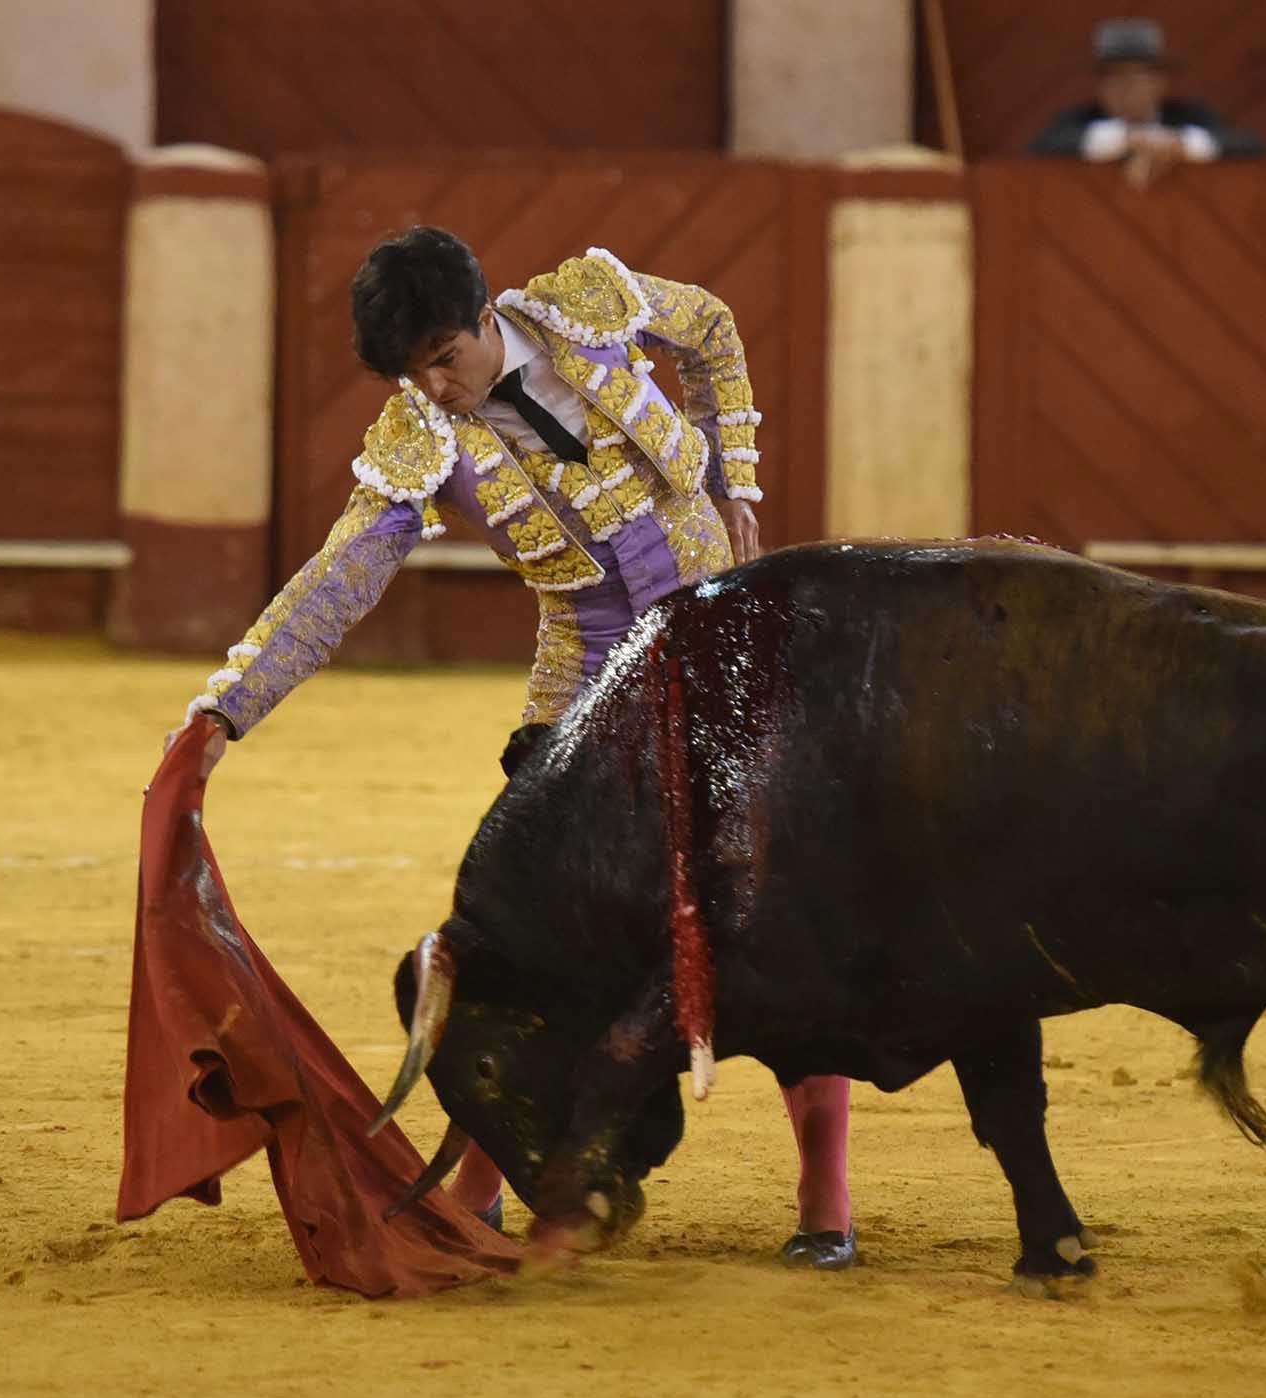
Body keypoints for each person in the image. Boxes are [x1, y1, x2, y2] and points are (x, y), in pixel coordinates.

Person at [164, 228, 856, 1270]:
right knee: (529, 940)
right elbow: (339, 576)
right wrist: (225, 708)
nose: (435, 388)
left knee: (781, 913)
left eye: (445, 358)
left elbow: (711, 329)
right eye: (413, 373)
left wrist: (738, 484)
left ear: (487, 317)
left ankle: (824, 1193)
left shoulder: (590, 305)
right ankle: (482, 1188)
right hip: (581, 685)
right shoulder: (422, 439)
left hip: (723, 656)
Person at [1028, 18, 1265, 189]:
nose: (1126, 89)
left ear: (1160, 82)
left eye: (1136, 78)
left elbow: (1251, 145)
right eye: (1114, 79)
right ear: (1100, 88)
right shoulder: (1079, 118)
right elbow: (1040, 147)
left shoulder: (1190, 115)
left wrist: (1179, 145)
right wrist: (1126, 139)